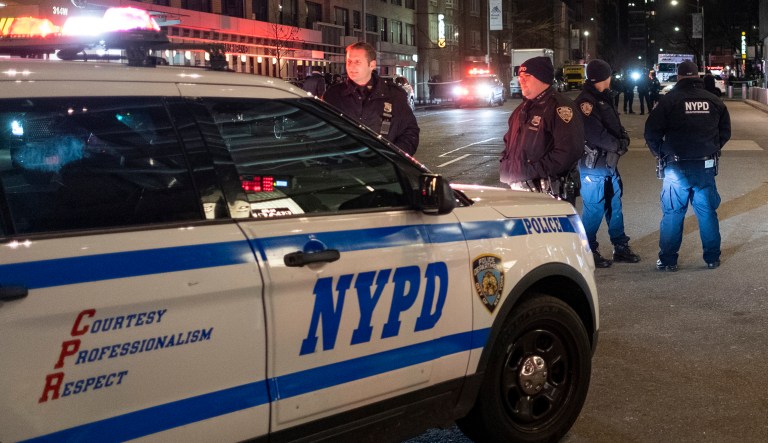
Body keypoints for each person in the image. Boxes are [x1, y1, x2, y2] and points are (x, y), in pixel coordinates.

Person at [644, 61, 731, 271]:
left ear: (679, 76)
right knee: (707, 212)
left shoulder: (669, 101)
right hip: (705, 165)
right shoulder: (714, 100)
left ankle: (668, 261)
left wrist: (660, 153)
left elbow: (651, 132)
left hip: (675, 165)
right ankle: (712, 258)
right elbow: (725, 132)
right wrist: (711, 147)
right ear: (697, 76)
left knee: (673, 213)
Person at [575, 59, 641, 268]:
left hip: (608, 162)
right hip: (594, 164)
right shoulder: (586, 101)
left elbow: (615, 124)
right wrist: (618, 145)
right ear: (603, 77)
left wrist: (623, 139)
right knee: (594, 208)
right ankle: (587, 251)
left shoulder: (603, 98)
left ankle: (620, 246)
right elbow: (594, 133)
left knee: (614, 204)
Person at [499, 56, 584, 203]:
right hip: (521, 190)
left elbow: (569, 151)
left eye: (527, 76)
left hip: (548, 193)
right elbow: (509, 144)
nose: (521, 80)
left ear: (542, 78)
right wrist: (507, 168)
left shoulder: (559, 107)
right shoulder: (521, 109)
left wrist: (530, 171)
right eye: (520, 76)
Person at [323, 41, 420, 155]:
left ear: (372, 65)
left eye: (357, 62)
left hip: (383, 169)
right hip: (344, 168)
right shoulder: (333, 95)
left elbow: (410, 131)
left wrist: (393, 158)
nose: (352, 66)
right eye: (349, 61)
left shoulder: (393, 95)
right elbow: (322, 133)